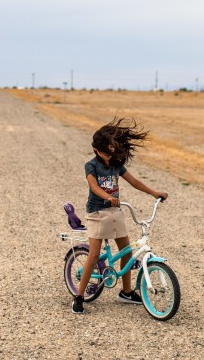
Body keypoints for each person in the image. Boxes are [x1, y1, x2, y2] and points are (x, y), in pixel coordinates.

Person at [72, 118, 168, 314]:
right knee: (94, 255)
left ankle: (126, 291)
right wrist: (108, 196)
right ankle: (79, 297)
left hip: (116, 211)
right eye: (105, 152)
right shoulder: (91, 166)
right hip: (98, 213)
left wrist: (154, 192)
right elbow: (93, 187)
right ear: (97, 150)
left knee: (127, 252)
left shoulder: (116, 165)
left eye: (111, 152)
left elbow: (134, 181)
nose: (109, 156)